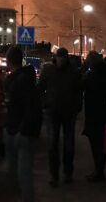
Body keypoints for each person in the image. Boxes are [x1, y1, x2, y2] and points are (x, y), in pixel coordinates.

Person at [38, 47, 82, 186]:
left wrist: (77, 107)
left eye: (63, 57)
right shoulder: (49, 70)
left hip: (68, 112)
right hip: (53, 112)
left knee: (68, 144)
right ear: (55, 57)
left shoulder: (73, 71)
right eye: (59, 56)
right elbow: (40, 88)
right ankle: (54, 175)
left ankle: (67, 173)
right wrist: (45, 103)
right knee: (53, 144)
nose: (61, 59)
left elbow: (78, 91)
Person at [4, 45, 42, 202]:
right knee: (19, 174)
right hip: (20, 131)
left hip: (21, 133)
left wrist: (21, 131)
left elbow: (28, 108)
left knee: (22, 174)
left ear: (8, 62)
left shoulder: (18, 81)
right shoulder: (27, 78)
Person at [82, 50, 106, 182]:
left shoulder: (93, 75)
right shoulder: (105, 73)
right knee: (101, 144)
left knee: (96, 144)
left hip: (95, 114)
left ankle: (99, 172)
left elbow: (85, 86)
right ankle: (100, 170)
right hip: (104, 112)